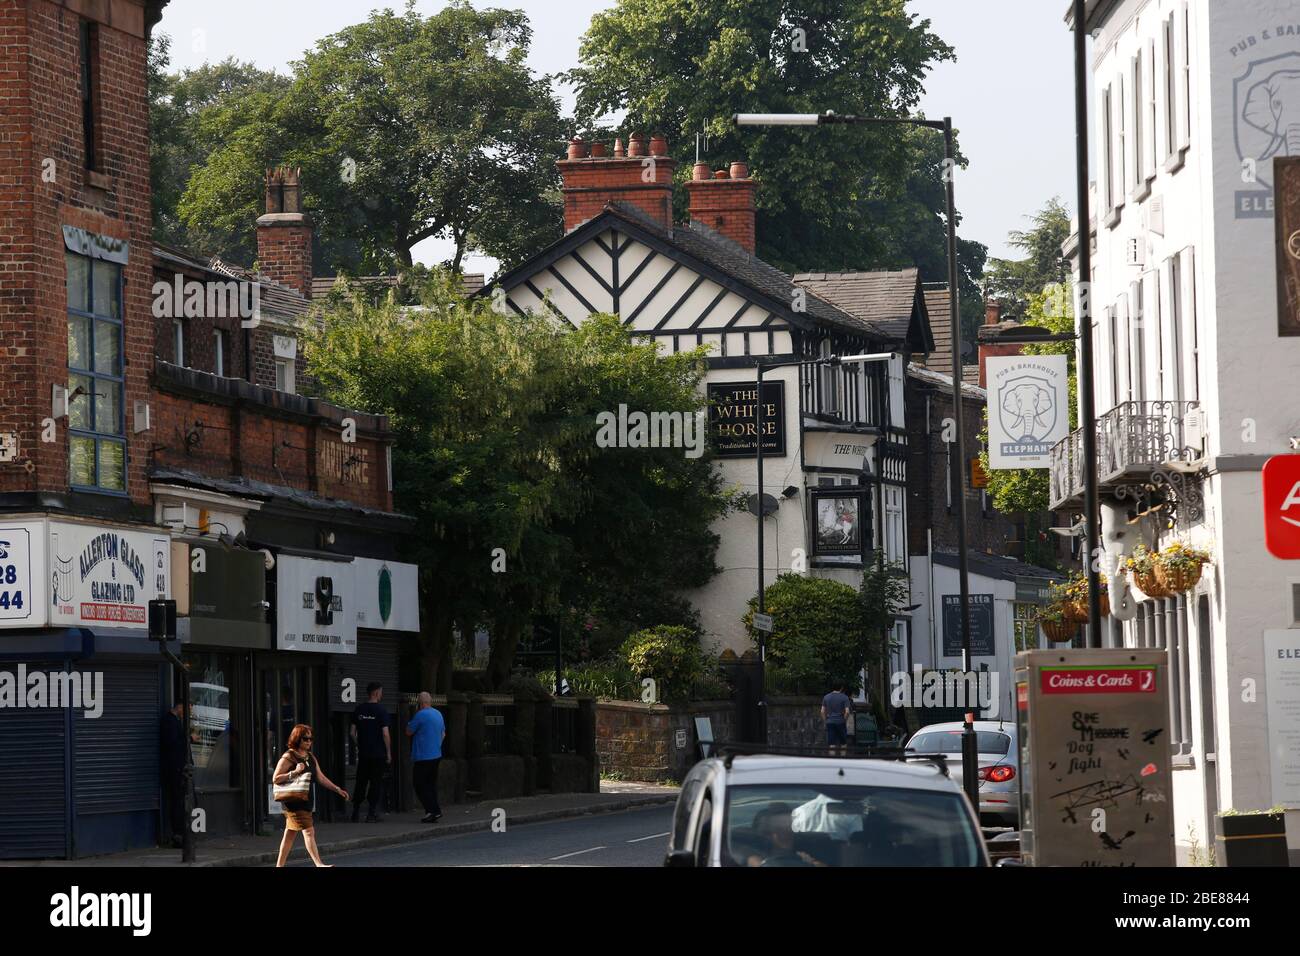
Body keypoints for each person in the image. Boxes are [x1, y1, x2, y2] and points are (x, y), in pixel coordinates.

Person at [274, 723, 349, 867]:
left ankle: (279, 866)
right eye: (305, 738)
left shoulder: (310, 757)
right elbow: (276, 778)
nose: (309, 741)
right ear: (297, 739)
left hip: (306, 799)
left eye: (310, 739)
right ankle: (319, 864)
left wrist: (336, 789)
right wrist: (294, 772)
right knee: (309, 831)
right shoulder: (289, 756)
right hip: (294, 801)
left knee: (290, 833)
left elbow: (320, 777)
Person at [350, 682, 391, 822]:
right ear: (376, 693)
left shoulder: (359, 709)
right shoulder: (381, 711)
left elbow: (352, 732)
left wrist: (359, 744)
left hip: (364, 753)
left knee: (361, 781)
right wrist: (388, 752)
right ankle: (371, 813)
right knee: (375, 783)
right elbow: (385, 733)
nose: (381, 695)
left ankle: (355, 811)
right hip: (378, 753)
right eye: (381, 692)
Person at [406, 692, 446, 823]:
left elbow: (409, 731)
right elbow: (443, 733)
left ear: (420, 703)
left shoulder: (420, 715)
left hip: (423, 756)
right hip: (436, 754)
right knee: (430, 785)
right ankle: (434, 811)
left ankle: (432, 810)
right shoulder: (438, 714)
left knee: (419, 784)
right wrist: (437, 745)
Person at [160, 702, 188, 848]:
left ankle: (181, 834)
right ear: (180, 707)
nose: (186, 714)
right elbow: (172, 744)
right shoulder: (169, 722)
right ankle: (178, 835)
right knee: (177, 801)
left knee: (180, 801)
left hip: (178, 768)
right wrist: (187, 737)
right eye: (186, 709)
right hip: (174, 769)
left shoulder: (174, 721)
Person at [821, 683, 852, 753]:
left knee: (831, 743)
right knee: (843, 743)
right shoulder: (844, 697)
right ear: (841, 688)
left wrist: (825, 721)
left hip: (830, 721)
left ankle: (832, 761)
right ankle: (843, 759)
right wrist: (844, 719)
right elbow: (847, 712)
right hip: (841, 721)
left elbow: (822, 711)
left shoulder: (826, 697)